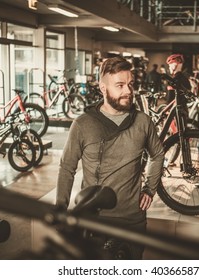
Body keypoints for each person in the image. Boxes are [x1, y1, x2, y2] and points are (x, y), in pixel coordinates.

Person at [56, 56, 165, 259]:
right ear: (103, 88)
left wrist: (150, 189)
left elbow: (157, 154)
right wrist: (60, 209)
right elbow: (67, 167)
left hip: (132, 220)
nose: (128, 91)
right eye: (120, 85)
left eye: (130, 84)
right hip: (94, 219)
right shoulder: (83, 124)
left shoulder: (143, 122)